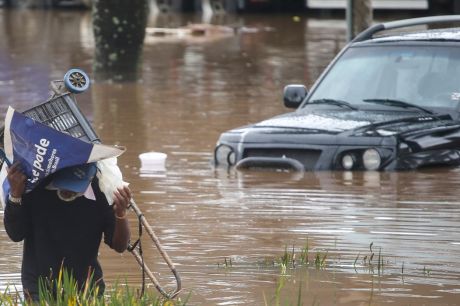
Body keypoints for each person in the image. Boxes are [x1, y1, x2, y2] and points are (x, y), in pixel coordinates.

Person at [3, 161, 131, 301]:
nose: (68, 191)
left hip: (86, 289)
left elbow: (120, 246)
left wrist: (120, 214)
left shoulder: (102, 189)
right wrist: (15, 195)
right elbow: (15, 234)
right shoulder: (35, 185)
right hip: (38, 288)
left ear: (89, 179)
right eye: (64, 184)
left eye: (75, 187)